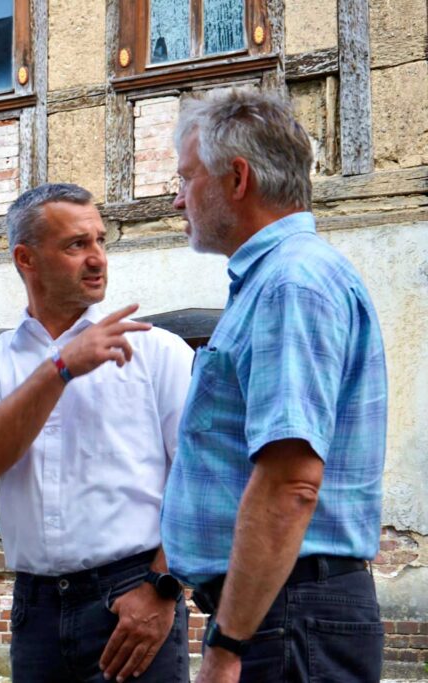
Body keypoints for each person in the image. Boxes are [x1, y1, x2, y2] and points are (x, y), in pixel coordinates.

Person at [162, 88, 388, 683]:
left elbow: (290, 484)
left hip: (285, 621)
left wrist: (227, 645)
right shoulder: (279, 279)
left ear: (237, 178)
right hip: (284, 614)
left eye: (187, 178)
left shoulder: (291, 283)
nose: (177, 197)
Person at [0, 183, 195, 683]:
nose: (97, 258)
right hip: (35, 612)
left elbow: (200, 480)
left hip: (131, 596)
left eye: (100, 240)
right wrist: (59, 369)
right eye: (76, 245)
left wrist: (162, 588)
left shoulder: (157, 351)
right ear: (26, 258)